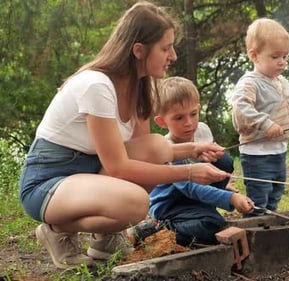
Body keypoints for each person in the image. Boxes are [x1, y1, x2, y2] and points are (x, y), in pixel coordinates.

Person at [18, 2, 230, 269]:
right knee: (136, 203)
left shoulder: (142, 88)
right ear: (139, 50)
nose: (173, 55)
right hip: (48, 183)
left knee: (155, 146)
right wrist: (189, 173)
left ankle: (104, 240)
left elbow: (147, 154)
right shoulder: (97, 86)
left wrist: (194, 150)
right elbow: (119, 168)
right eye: (165, 48)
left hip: (89, 177)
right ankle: (57, 229)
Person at [129, 76, 254, 247]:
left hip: (194, 196)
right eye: (179, 118)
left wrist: (223, 187)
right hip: (172, 205)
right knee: (213, 225)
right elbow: (190, 188)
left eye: (193, 114)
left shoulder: (202, 130)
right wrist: (231, 198)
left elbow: (211, 167)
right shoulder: (167, 149)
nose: (189, 123)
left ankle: (203, 209)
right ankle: (158, 228)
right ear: (161, 121)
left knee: (223, 160)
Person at [231, 18, 289, 216]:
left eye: (285, 56)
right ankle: (255, 229)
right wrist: (266, 124)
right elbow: (241, 109)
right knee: (259, 198)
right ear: (254, 56)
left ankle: (269, 226)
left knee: (275, 194)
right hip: (257, 155)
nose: (282, 62)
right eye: (275, 57)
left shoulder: (282, 83)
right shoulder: (250, 83)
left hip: (279, 153)